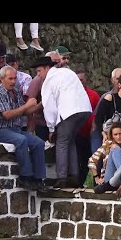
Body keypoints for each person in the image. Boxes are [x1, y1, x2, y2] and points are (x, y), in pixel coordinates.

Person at [34, 56, 92, 188]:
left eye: (39, 71)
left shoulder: (48, 81)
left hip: (69, 111)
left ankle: (62, 177)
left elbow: (49, 107)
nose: (38, 75)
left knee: (62, 141)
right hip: (85, 109)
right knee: (69, 140)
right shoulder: (67, 71)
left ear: (47, 68)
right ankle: (74, 175)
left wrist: (51, 128)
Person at [0, 66, 47, 192]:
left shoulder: (15, 91)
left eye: (15, 78)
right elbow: (7, 115)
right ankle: (25, 177)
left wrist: (39, 105)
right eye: (10, 79)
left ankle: (38, 179)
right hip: (0, 130)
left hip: (16, 128)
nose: (13, 81)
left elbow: (25, 111)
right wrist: (27, 105)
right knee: (21, 140)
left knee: (38, 143)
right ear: (2, 79)